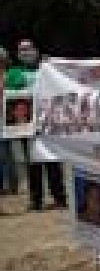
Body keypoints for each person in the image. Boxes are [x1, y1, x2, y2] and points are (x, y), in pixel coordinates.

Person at [5, 39, 67, 211]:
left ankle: (60, 198)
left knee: (53, 161)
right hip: (27, 126)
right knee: (33, 163)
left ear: (36, 50)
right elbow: (9, 96)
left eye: (29, 48)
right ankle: (36, 200)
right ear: (17, 54)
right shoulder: (13, 72)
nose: (26, 52)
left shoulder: (47, 69)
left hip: (49, 123)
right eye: (21, 49)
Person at [0, 46, 16, 195]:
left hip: (10, 119)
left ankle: (10, 185)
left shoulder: (11, 75)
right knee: (4, 153)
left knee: (6, 154)